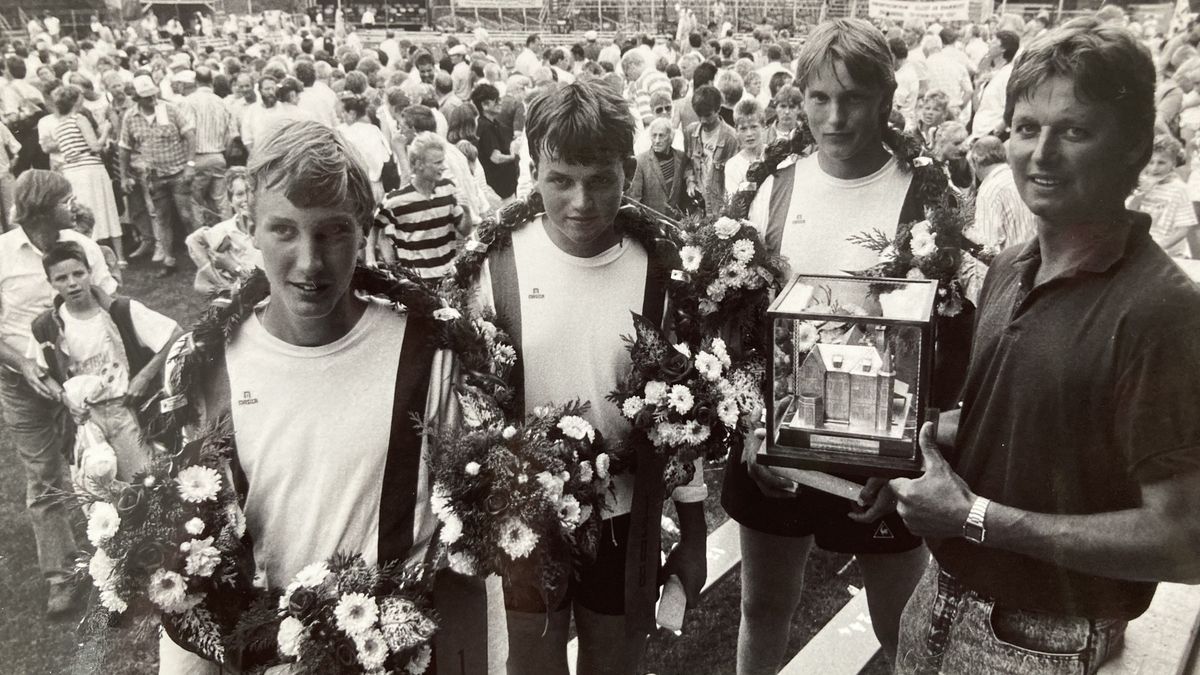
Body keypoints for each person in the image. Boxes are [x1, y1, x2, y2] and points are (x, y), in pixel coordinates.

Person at [893, 15, 1200, 675]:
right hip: (938, 599)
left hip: (1042, 639)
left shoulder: (1163, 312)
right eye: (1026, 128)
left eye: (1075, 130)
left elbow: (1184, 538)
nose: (1041, 153)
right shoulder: (1009, 265)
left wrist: (974, 516)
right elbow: (1012, 422)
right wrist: (907, 446)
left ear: (1133, 147)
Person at [156, 119, 506, 674]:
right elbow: (190, 563)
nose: (310, 261)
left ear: (364, 228)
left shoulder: (429, 355)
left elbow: (467, 550)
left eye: (332, 231)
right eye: (284, 230)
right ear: (248, 225)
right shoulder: (208, 369)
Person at [458, 79, 706, 675]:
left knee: (615, 660)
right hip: (529, 518)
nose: (580, 202)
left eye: (601, 181)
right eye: (560, 179)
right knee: (533, 662)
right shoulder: (497, 264)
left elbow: (684, 411)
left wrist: (694, 528)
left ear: (628, 169)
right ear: (533, 166)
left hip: (626, 515)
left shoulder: (658, 269)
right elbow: (469, 404)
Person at [723, 19, 939, 671]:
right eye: (821, 97)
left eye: (853, 97)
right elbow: (738, 320)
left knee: (899, 624)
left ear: (885, 98)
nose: (836, 116)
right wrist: (751, 428)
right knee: (763, 605)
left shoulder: (923, 193)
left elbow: (942, 336)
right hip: (779, 436)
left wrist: (901, 459)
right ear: (801, 97)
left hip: (881, 451)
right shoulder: (773, 186)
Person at [0, 170, 117, 617]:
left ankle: (122, 559)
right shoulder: (4, 253)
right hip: (22, 381)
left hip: (84, 379)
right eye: (66, 200)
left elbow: (110, 305)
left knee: (103, 463)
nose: (74, 206)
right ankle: (61, 578)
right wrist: (23, 363)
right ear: (44, 208)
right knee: (43, 477)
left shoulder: (83, 247)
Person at [31, 241, 182, 483]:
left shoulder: (119, 310)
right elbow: (41, 372)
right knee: (99, 495)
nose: (72, 283)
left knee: (146, 483)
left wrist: (144, 376)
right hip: (85, 418)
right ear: (50, 282)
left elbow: (175, 333)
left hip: (124, 409)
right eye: (61, 278)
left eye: (78, 274)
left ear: (90, 272)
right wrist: (65, 399)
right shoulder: (47, 325)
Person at [118, 74, 196, 277]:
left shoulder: (169, 109)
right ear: (137, 98)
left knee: (187, 216)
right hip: (153, 176)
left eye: (154, 95)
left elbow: (189, 135)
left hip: (178, 171)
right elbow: (124, 148)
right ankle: (169, 260)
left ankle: (201, 257)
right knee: (162, 219)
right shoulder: (130, 117)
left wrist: (190, 164)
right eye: (147, 97)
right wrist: (125, 176)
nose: (152, 100)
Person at [370, 132, 465, 278]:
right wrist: (371, 259)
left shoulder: (447, 188)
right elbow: (373, 226)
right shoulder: (396, 200)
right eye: (437, 163)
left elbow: (463, 229)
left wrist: (467, 212)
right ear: (419, 165)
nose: (444, 167)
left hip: (450, 279)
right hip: (419, 284)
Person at [184, 166, 261, 294]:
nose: (246, 199)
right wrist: (225, 290)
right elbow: (200, 285)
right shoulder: (221, 232)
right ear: (231, 201)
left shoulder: (268, 233)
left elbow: (264, 285)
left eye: (250, 192)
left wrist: (231, 266)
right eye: (240, 194)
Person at [1127, 134, 1198, 257]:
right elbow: (1129, 214)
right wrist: (1141, 194)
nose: (1154, 168)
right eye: (1151, 162)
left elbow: (1184, 229)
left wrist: (1158, 247)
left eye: (1161, 163)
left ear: (1173, 163)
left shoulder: (1179, 189)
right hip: (1141, 247)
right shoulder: (1141, 184)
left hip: (1168, 252)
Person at [966, 135, 1037, 254]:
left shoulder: (989, 189)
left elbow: (987, 245)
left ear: (976, 160)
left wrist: (965, 229)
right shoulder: (1021, 179)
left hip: (1010, 265)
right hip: (1035, 261)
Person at [180, 66, 232, 228]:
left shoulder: (189, 102)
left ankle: (203, 239)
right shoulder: (221, 102)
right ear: (211, 82)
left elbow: (190, 133)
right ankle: (231, 237)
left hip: (198, 157)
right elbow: (229, 135)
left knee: (196, 203)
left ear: (196, 82)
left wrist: (188, 161)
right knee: (222, 202)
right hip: (218, 156)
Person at [683, 84, 738, 217]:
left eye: (707, 115)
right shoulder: (690, 132)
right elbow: (688, 162)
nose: (703, 121)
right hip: (697, 207)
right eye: (699, 116)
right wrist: (690, 181)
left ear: (718, 109)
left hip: (719, 208)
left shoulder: (731, 138)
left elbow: (734, 177)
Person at [628, 116, 688, 218]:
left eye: (661, 136)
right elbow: (634, 200)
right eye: (654, 135)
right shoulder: (640, 161)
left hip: (678, 225)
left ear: (670, 138)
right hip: (652, 226)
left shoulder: (681, 158)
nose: (657, 140)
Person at [336, 93, 392, 202]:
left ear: (351, 114)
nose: (340, 116)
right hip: (376, 186)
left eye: (342, 113)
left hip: (354, 187)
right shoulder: (374, 130)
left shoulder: (342, 133)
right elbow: (386, 157)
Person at [473, 83, 519, 203]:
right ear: (484, 105)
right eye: (496, 100)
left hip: (504, 187)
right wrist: (514, 157)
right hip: (500, 189)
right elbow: (496, 158)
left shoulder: (493, 123)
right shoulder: (486, 127)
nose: (500, 102)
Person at [724, 98, 766, 197]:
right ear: (736, 130)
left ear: (763, 126)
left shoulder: (774, 155)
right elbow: (734, 202)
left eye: (754, 127)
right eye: (743, 129)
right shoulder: (733, 165)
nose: (749, 134)